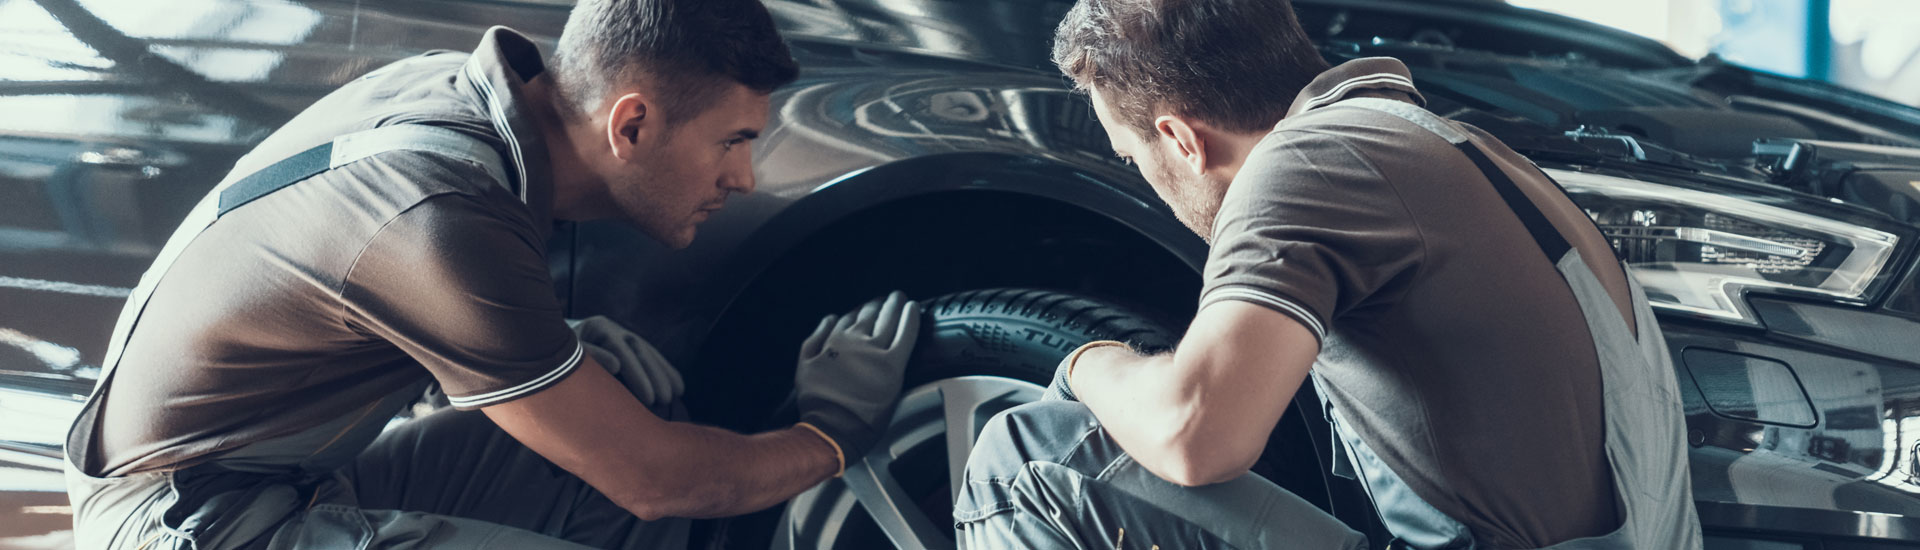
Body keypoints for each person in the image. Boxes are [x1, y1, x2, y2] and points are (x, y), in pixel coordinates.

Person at [62, 1, 922, 549]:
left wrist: (558, 343)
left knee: (609, 432)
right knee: (644, 465)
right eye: (732, 142)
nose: (744, 180)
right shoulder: (439, 219)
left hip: (262, 478)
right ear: (631, 125)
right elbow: (665, 483)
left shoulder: (455, 100)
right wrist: (832, 434)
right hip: (193, 529)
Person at [954, 0, 1704, 548]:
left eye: (1131, 156)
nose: (1142, 175)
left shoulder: (1306, 163)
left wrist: (1091, 363)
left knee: (1025, 458)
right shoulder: (1460, 149)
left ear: (1180, 139)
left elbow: (1195, 435)